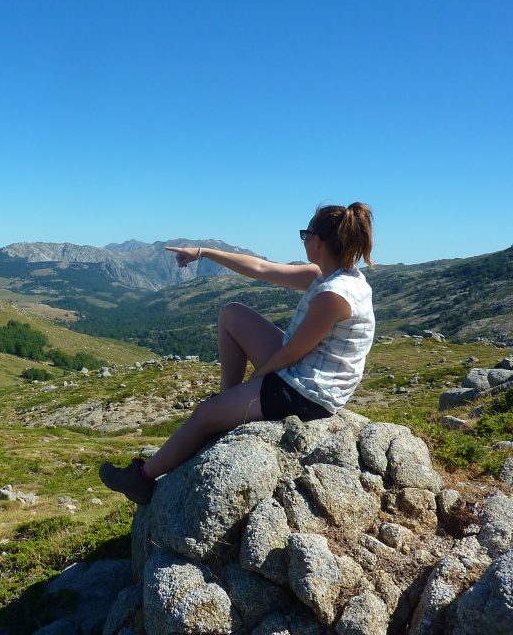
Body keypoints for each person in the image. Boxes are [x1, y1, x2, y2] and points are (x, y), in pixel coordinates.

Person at [99, 203, 376, 504]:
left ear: (318, 242)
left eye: (305, 234)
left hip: (308, 391)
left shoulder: (335, 295)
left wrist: (253, 381)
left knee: (203, 414)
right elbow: (260, 269)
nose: (303, 239)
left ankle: (141, 479)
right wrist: (203, 252)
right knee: (232, 314)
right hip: (302, 368)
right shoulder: (324, 275)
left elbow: (293, 354)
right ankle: (226, 407)